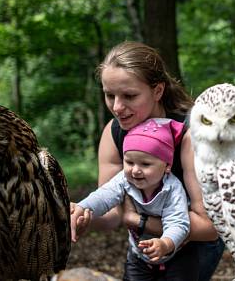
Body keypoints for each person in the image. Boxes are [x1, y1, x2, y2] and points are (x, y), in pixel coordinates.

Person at [71, 41, 224, 281]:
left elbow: (209, 229)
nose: (117, 107)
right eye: (109, 95)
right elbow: (113, 213)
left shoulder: (190, 134)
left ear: (158, 91)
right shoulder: (114, 133)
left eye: (129, 96)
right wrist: (83, 216)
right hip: (144, 252)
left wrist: (138, 221)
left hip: (194, 250)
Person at [72, 118, 197, 280]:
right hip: (138, 256)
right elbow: (104, 196)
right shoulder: (124, 179)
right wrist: (82, 208)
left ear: (167, 166)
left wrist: (165, 243)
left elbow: (178, 222)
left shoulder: (172, 189)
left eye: (145, 164)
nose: (135, 170)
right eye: (129, 162)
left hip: (178, 256)